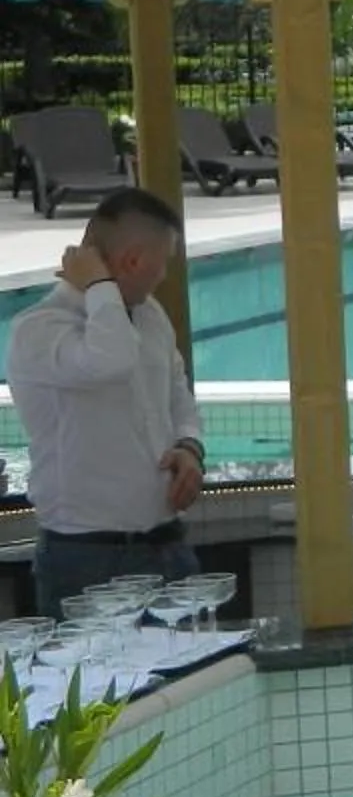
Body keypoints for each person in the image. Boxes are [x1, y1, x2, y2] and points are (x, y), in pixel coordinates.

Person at [6, 187, 205, 615]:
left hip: (166, 544)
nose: (164, 275)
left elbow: (176, 392)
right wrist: (99, 285)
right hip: (87, 559)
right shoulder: (40, 330)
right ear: (134, 260)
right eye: (163, 261)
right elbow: (111, 360)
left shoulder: (149, 314)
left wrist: (189, 447)